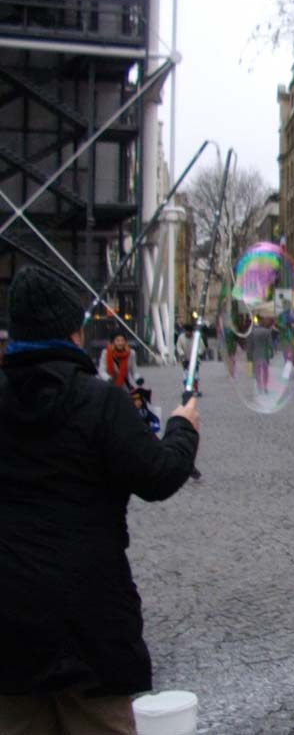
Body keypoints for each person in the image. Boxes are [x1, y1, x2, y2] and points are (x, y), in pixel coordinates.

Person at [0, 266, 200, 733]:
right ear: (73, 333)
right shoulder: (101, 402)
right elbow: (159, 475)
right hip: (90, 623)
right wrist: (182, 426)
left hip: (8, 626)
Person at [174, 323, 206, 397]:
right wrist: (181, 353)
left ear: (192, 332)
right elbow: (178, 346)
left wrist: (197, 353)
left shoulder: (197, 337)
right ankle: (187, 389)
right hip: (185, 359)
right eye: (187, 331)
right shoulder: (181, 337)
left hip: (195, 359)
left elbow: (202, 346)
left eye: (190, 332)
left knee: (195, 375)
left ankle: (195, 389)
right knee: (186, 375)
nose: (188, 333)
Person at [247, 318, 274, 395]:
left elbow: (250, 346)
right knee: (265, 372)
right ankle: (265, 386)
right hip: (265, 355)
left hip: (255, 355)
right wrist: (271, 353)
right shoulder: (267, 332)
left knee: (258, 372)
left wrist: (249, 357)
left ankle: (259, 387)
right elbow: (270, 344)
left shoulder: (253, 332)